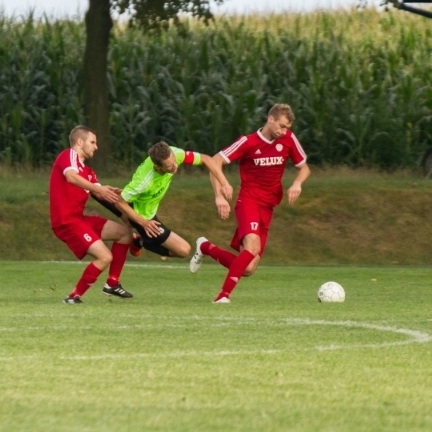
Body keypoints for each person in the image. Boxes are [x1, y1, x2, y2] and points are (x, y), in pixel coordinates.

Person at [189, 103, 310, 303]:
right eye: (281, 126)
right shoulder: (248, 142)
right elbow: (214, 161)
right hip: (249, 201)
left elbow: (304, 168)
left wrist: (297, 183)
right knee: (252, 246)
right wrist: (218, 195)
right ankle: (223, 296)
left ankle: (205, 248)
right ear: (270, 119)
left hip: (268, 206)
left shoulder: (288, 139)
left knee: (248, 268)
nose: (284, 131)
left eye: (287, 127)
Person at [96, 141, 233, 259]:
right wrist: (144, 223)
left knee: (120, 212)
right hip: (143, 215)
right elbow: (121, 202)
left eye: (174, 162)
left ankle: (136, 237)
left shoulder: (174, 154)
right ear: (157, 167)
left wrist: (224, 183)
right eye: (169, 166)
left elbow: (206, 159)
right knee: (183, 250)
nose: (175, 167)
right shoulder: (144, 181)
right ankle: (139, 241)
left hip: (145, 204)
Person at [50, 125, 134, 302]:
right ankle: (73, 297)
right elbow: (71, 177)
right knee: (105, 257)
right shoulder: (68, 156)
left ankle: (112, 283)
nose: (96, 147)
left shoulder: (88, 172)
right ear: (80, 142)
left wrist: (126, 206)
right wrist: (99, 189)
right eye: (93, 142)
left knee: (125, 234)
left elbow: (100, 192)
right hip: (67, 222)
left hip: (80, 219)